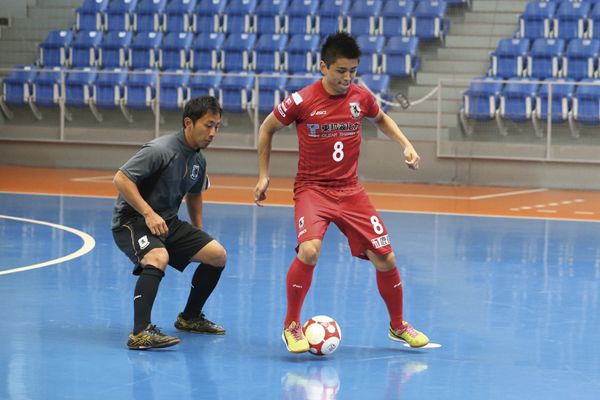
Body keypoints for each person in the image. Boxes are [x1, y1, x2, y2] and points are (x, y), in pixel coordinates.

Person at [253, 32, 430, 353]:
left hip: (350, 191)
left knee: (386, 258)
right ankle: (291, 325)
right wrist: (264, 175)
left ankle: (398, 325)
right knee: (309, 251)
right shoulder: (301, 101)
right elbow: (267, 128)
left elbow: (381, 118)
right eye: (340, 71)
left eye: (352, 71)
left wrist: (406, 145)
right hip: (312, 190)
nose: (347, 78)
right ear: (323, 67)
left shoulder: (361, 97)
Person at [112, 96, 227, 350]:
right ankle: (140, 333)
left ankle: (190, 317)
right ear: (188, 123)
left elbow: (194, 194)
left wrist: (198, 230)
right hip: (132, 220)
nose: (213, 133)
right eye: (208, 125)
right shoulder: (160, 150)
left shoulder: (198, 160)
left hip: (167, 222)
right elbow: (121, 179)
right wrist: (148, 213)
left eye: (217, 127)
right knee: (158, 256)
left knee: (217, 255)